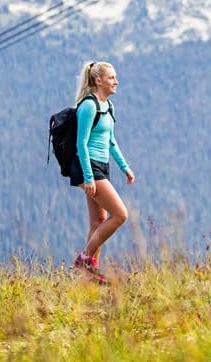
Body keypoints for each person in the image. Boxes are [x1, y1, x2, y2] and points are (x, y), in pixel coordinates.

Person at [70, 61, 134, 284]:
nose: (116, 81)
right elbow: (81, 143)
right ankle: (85, 258)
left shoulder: (108, 106)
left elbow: (111, 141)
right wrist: (88, 177)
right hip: (87, 166)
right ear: (98, 81)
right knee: (120, 215)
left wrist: (124, 167)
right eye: (111, 78)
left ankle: (90, 277)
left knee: (99, 221)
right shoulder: (88, 106)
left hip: (101, 166)